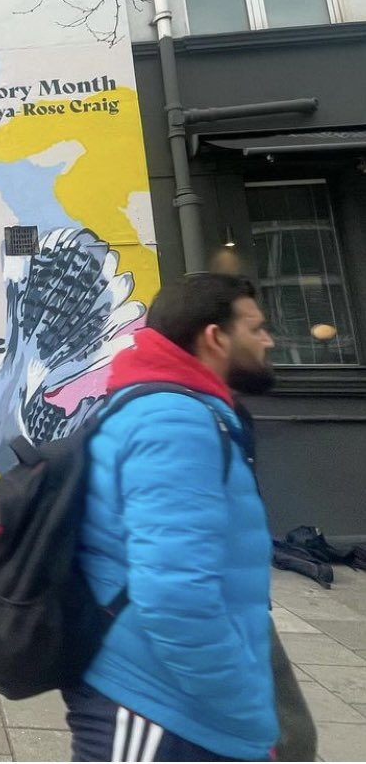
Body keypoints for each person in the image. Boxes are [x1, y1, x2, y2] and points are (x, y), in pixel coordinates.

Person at [65, 273, 279, 761]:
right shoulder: (175, 422)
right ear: (215, 337)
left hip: (176, 699)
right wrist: (245, 709)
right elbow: (174, 597)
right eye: (256, 328)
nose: (268, 339)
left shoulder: (183, 410)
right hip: (155, 703)